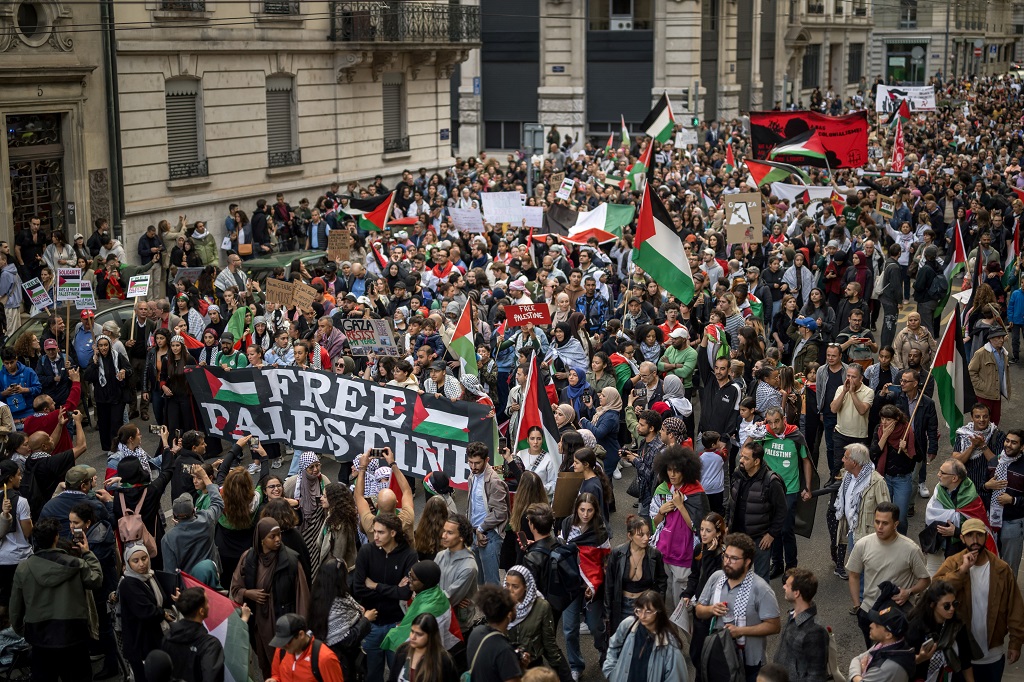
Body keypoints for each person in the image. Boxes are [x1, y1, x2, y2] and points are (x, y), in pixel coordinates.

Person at [10, 516, 102, 682]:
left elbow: (16, 608)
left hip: (40, 637)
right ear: (56, 538)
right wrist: (87, 553)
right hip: (73, 634)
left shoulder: (24, 569)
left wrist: (24, 630)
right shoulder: (76, 564)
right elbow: (96, 580)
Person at [933, 518, 1024, 682]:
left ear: (986, 537)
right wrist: (961, 572)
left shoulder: (1001, 569)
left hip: (992, 655)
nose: (975, 541)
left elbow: (1015, 607)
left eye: (979, 535)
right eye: (970, 535)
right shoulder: (953, 563)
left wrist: (1015, 642)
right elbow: (935, 591)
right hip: (958, 654)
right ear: (962, 538)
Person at [229, 518, 311, 679]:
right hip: (260, 623)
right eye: (272, 537)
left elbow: (303, 598)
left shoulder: (290, 561)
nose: (278, 539)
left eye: (278, 535)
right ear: (261, 540)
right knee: (267, 663)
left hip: (283, 621)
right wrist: (248, 593)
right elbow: (235, 587)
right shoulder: (249, 559)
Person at [695, 532, 782, 682]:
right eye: (726, 556)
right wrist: (710, 610)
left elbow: (774, 626)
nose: (727, 562)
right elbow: (699, 610)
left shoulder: (761, 589)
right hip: (720, 656)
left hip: (750, 663)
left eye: (734, 558)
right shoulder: (716, 578)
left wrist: (740, 631)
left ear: (747, 561)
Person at [846, 501, 931, 646]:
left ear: (896, 524)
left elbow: (925, 580)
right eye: (877, 522)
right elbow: (853, 575)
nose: (879, 527)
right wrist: (857, 606)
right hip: (869, 612)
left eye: (885, 523)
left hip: (896, 616)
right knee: (872, 657)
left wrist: (909, 592)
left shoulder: (911, 549)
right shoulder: (863, 544)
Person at [353, 512, 417, 682]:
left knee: (398, 674)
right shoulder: (366, 551)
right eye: (374, 532)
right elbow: (358, 589)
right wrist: (393, 590)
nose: (376, 536)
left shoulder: (409, 555)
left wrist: (375, 586)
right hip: (371, 625)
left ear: (393, 533)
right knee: (372, 674)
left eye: (380, 532)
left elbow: (405, 593)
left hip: (397, 625)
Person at [556, 493, 609, 679]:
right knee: (569, 630)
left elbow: (605, 562)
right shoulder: (566, 525)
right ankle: (576, 665)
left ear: (595, 511)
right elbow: (560, 549)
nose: (585, 514)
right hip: (570, 585)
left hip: (592, 587)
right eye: (582, 510)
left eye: (590, 510)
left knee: (595, 626)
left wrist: (595, 584)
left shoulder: (600, 532)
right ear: (576, 509)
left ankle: (604, 650)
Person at [649, 445, 708, 607]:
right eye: (669, 470)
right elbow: (655, 522)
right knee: (665, 605)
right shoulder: (663, 489)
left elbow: (700, 528)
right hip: (663, 552)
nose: (672, 474)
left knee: (682, 608)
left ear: (686, 471)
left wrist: (680, 506)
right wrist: (661, 511)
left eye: (677, 470)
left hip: (684, 556)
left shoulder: (697, 493)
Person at [758, 407, 812, 577]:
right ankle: (777, 563)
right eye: (770, 422)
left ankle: (791, 567)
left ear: (784, 419)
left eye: (777, 421)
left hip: (790, 488)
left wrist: (808, 486)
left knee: (786, 529)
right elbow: (750, 455)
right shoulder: (764, 435)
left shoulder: (795, 436)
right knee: (773, 527)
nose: (774, 426)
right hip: (769, 489)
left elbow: (806, 460)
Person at [118, 543, 179, 682]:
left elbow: (161, 599)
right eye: (135, 561)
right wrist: (163, 614)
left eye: (144, 558)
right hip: (140, 643)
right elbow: (145, 611)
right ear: (127, 563)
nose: (142, 564)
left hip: (154, 638)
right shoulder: (128, 584)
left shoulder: (150, 576)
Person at [728, 442, 787, 580]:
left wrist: (771, 534)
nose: (741, 460)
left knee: (761, 581)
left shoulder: (771, 481)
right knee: (737, 575)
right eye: (742, 456)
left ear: (756, 461)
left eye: (746, 458)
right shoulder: (738, 474)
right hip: (738, 536)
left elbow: (782, 510)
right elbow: (732, 502)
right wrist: (727, 524)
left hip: (759, 539)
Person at [603, 515, 669, 635]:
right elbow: (609, 584)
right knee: (623, 642)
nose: (646, 538)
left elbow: (661, 582)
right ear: (630, 536)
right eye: (640, 535)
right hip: (623, 605)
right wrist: (607, 613)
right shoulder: (617, 554)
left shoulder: (654, 555)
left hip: (646, 607)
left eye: (648, 534)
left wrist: (658, 608)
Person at [603, 590, 687, 682]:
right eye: (639, 610)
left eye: (648, 611)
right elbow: (614, 645)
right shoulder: (627, 625)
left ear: (658, 612)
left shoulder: (669, 644)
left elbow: (676, 677)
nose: (642, 616)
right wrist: (611, 671)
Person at [904, 580, 974, 682]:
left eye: (954, 604)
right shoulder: (916, 626)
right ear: (932, 605)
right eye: (946, 606)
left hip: (947, 677)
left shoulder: (956, 626)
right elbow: (902, 660)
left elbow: (965, 660)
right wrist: (920, 658)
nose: (952, 609)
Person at [161, 463, 224, 575]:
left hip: (190, 583)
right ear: (194, 511)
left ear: (175, 517)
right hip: (211, 575)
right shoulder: (206, 520)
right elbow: (218, 503)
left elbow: (170, 570)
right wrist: (204, 476)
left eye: (198, 478)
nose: (195, 481)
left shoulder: (168, 539)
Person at [161, 586, 235, 682]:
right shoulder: (210, 645)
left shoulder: (167, 638)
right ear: (201, 611)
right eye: (207, 602)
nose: (209, 605)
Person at [773, 568, 831, 682]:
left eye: (787, 586)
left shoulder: (815, 631)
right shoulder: (792, 614)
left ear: (796, 593)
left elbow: (816, 676)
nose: (783, 587)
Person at [465, 441, 510, 586]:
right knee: (479, 580)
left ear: (487, 460)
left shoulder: (495, 482)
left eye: (477, 463)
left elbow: (500, 512)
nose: (473, 467)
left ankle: (495, 609)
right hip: (475, 533)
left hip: (489, 536)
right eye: (470, 462)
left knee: (491, 583)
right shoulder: (472, 477)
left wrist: (480, 529)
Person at [284, 451, 331, 581]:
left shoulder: (323, 481)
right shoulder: (292, 484)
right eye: (311, 467)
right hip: (300, 532)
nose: (316, 470)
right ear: (304, 468)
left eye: (317, 465)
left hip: (318, 531)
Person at [82, 334, 131, 451]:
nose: (104, 348)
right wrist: (94, 363)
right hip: (101, 397)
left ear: (109, 345)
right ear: (97, 347)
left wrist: (124, 371)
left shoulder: (117, 356)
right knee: (104, 424)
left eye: (105, 345)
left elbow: (129, 369)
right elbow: (88, 376)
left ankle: (117, 447)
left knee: (116, 423)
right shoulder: (95, 359)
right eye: (100, 345)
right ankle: (108, 447)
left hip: (116, 396)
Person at [952, 403, 1005, 511]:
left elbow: (997, 463)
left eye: (985, 416)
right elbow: (957, 461)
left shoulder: (998, 435)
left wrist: (982, 446)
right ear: (972, 418)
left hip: (988, 490)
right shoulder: (963, 434)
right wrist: (972, 446)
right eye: (977, 416)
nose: (982, 420)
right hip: (966, 488)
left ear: (989, 417)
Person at [847, 600, 916, 682]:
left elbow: (858, 661)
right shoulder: (887, 644)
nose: (870, 625)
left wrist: (858, 674)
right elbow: (857, 659)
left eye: (876, 625)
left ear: (888, 635)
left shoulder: (885, 667)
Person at [986, 429, 1024, 576]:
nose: (1008, 445)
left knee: (1009, 567)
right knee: (990, 564)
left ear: (1022, 447)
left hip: (1012, 523)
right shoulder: (994, 461)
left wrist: (1013, 500)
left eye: (1014, 443)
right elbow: (982, 489)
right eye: (1007, 441)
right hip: (991, 521)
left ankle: (1008, 597)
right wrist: (986, 486)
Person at [266, 613, 344, 682]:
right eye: (280, 641)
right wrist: (275, 680)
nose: (283, 645)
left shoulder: (325, 658)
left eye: (287, 641)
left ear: (301, 635)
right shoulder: (282, 650)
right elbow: (276, 675)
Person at [435, 513, 479, 635]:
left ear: (461, 537)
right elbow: (430, 586)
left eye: (449, 533)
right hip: (439, 621)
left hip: (458, 629)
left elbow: (448, 599)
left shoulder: (469, 567)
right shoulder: (440, 556)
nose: (443, 536)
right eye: (444, 531)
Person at [388, 612, 459, 682]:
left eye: (419, 634)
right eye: (412, 631)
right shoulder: (402, 651)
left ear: (430, 636)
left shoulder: (443, 660)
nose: (413, 637)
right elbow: (392, 679)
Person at [967, 326, 1011, 426]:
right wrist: (983, 386)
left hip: (997, 395)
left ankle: (993, 441)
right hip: (984, 395)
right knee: (982, 422)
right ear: (991, 339)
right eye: (998, 337)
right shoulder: (980, 353)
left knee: (995, 421)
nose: (1001, 340)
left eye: (1002, 337)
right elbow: (971, 372)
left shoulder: (1003, 353)